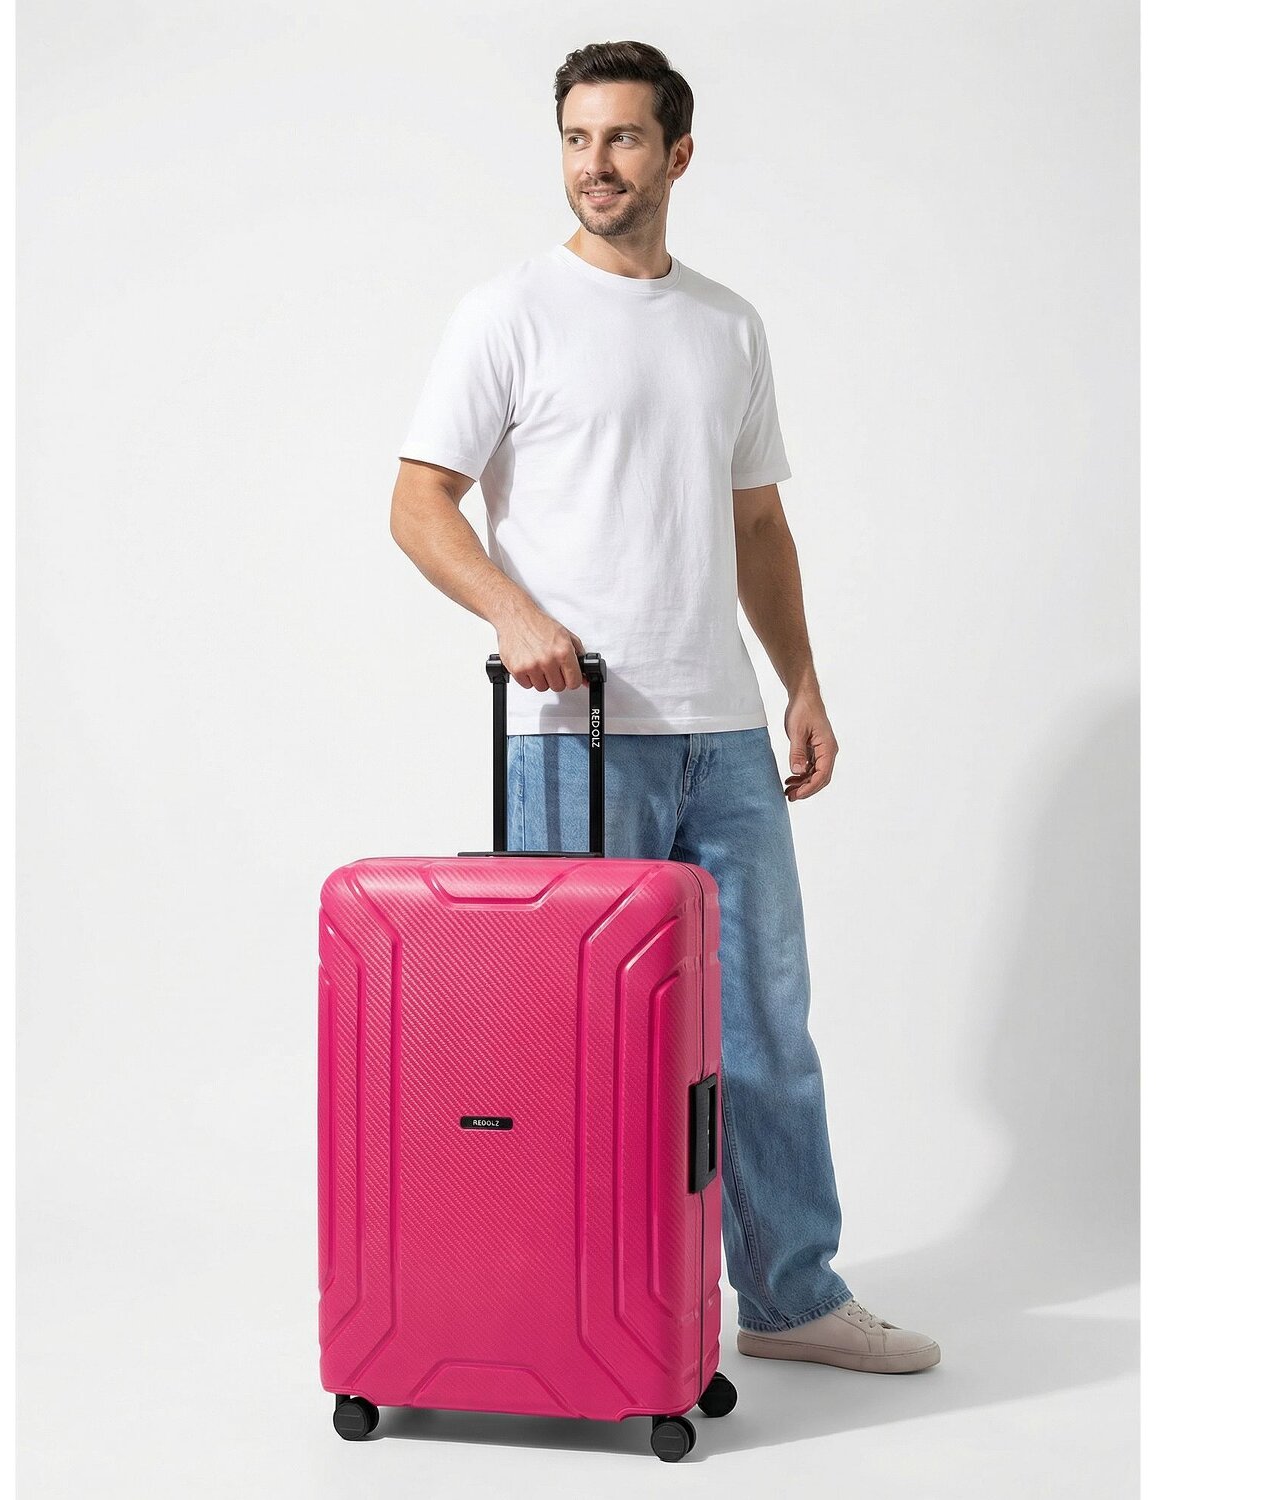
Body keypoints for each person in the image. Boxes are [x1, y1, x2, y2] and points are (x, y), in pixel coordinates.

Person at [389, 39, 939, 1375]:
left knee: (763, 1027)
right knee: (571, 1042)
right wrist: (513, 613)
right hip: (574, 744)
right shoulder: (509, 312)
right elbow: (418, 502)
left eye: (624, 138)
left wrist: (801, 682)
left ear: (678, 154)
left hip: (725, 736)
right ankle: (572, 1306)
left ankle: (792, 1299)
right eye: (577, 138)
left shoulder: (726, 324)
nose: (596, 165)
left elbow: (758, 527)